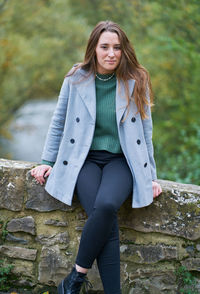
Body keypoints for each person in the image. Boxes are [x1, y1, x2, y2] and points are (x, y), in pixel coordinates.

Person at [31, 20, 162, 294]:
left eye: (117, 47)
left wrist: (150, 176)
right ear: (94, 48)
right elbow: (58, 122)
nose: (111, 53)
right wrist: (47, 161)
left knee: (105, 206)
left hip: (121, 161)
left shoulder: (136, 79)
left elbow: (145, 132)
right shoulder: (76, 78)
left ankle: (76, 277)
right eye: (105, 47)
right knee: (106, 223)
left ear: (124, 50)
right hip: (84, 160)